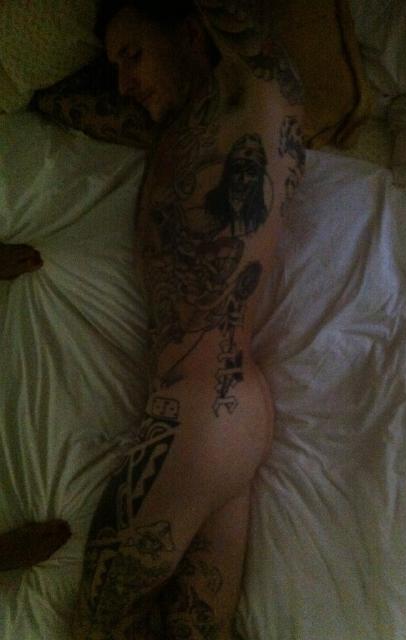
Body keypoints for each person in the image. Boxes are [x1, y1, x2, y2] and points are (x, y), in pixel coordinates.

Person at [4, 1, 305, 637]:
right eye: (115, 65)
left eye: (134, 55)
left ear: (191, 32)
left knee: (101, 625)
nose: (124, 82)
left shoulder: (254, 97)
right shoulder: (173, 135)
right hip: (231, 415)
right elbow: (52, 102)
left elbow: (245, 30)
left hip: (198, 414)